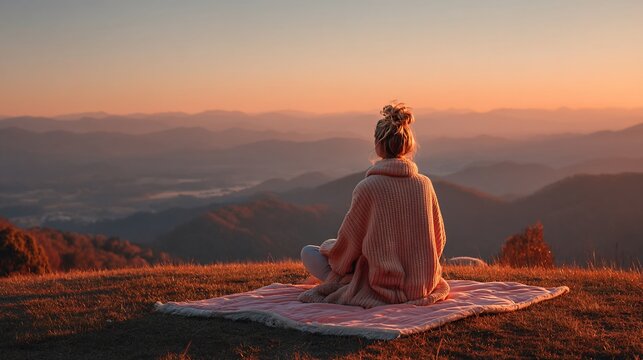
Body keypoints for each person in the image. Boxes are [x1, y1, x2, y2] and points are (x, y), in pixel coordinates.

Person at [298, 102, 449, 308]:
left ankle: (344, 281)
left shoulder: (368, 187)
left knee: (309, 252)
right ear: (409, 145)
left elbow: (348, 246)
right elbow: (438, 240)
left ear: (378, 145)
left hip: (378, 284)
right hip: (421, 284)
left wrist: (329, 248)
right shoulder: (424, 184)